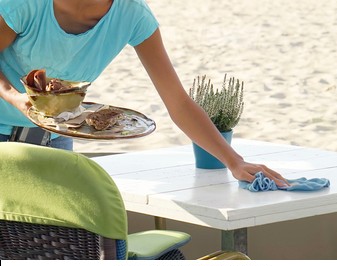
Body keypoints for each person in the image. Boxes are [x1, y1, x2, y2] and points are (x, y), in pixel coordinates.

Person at [0, 0, 288, 186]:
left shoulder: (133, 15)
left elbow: (178, 101)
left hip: (56, 137)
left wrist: (234, 161)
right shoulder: (26, 5)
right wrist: (16, 98)